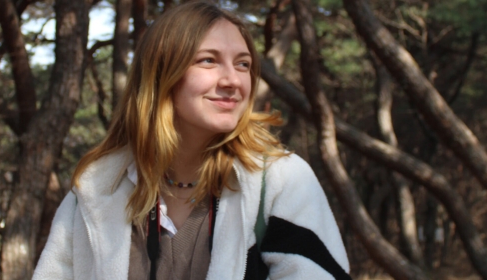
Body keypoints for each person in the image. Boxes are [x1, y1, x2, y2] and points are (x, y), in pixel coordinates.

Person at [33, 1, 350, 279]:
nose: (232, 81)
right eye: (209, 60)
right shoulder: (96, 189)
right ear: (161, 75)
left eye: (243, 64)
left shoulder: (280, 181)